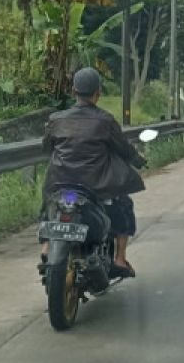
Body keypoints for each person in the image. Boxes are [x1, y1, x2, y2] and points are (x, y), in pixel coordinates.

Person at [41, 67, 145, 279]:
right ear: (98, 92)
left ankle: (45, 247)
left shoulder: (56, 119)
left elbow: (47, 148)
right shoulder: (105, 120)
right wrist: (138, 160)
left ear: (73, 91)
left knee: (48, 205)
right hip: (95, 187)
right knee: (124, 205)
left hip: (62, 185)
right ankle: (120, 259)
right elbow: (123, 149)